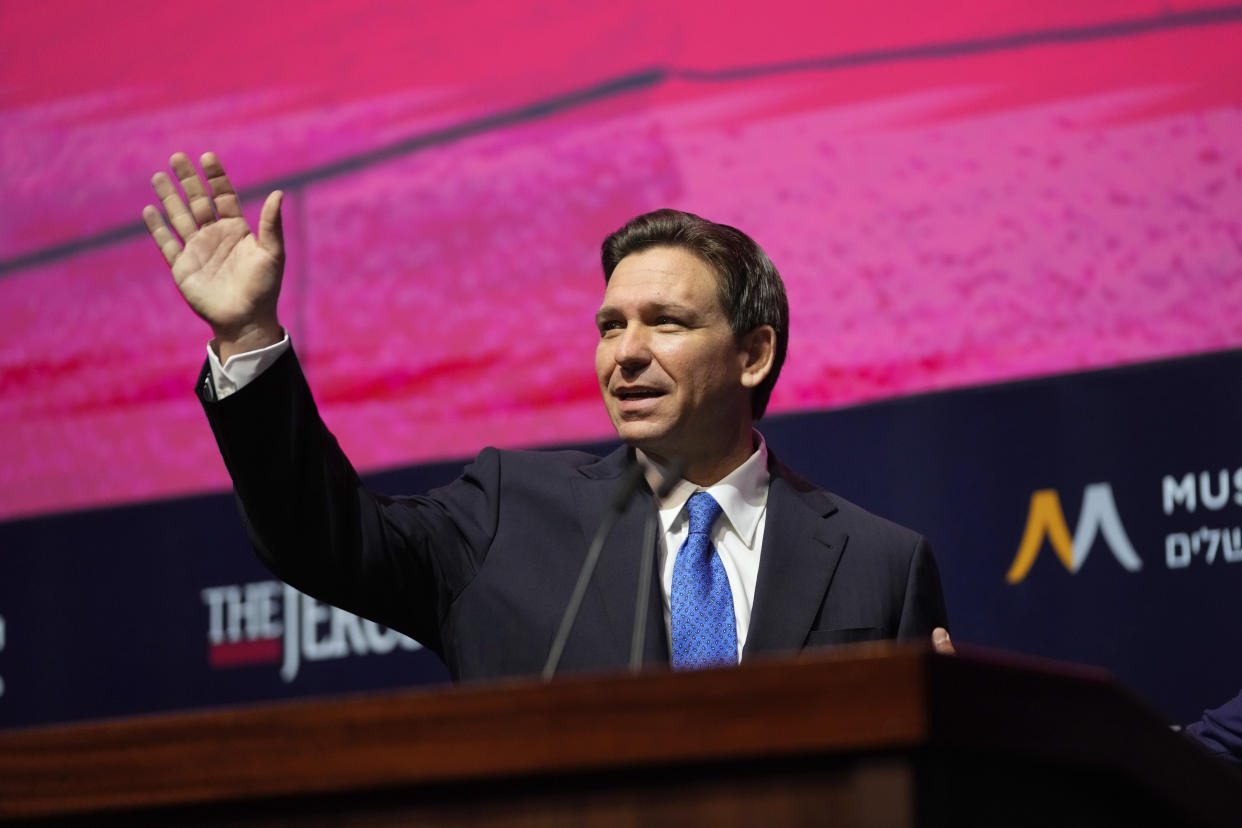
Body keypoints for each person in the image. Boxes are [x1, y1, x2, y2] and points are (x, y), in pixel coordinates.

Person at [143, 151, 953, 681]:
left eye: (665, 323)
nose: (624, 354)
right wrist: (249, 338)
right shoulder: (507, 513)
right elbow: (320, 539)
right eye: (609, 326)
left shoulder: (877, 563)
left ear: (753, 354)